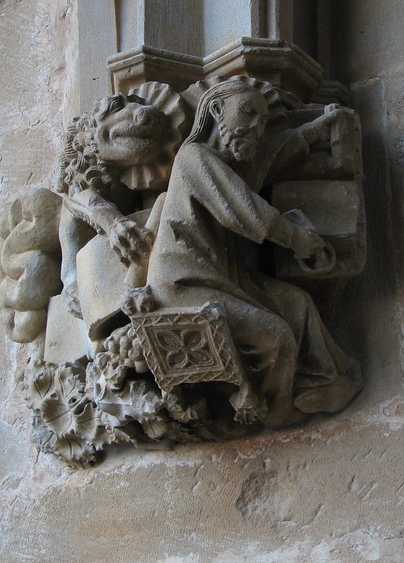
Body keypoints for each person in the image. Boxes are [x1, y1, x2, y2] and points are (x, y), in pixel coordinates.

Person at [146, 79, 362, 427]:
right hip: (182, 287)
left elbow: (266, 162)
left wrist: (311, 132)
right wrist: (298, 239)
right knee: (276, 335)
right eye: (247, 113)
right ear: (216, 110)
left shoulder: (226, 165)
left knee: (298, 304)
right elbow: (244, 212)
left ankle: (321, 383)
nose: (255, 127)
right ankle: (277, 411)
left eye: (262, 122)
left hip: (222, 279)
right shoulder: (193, 157)